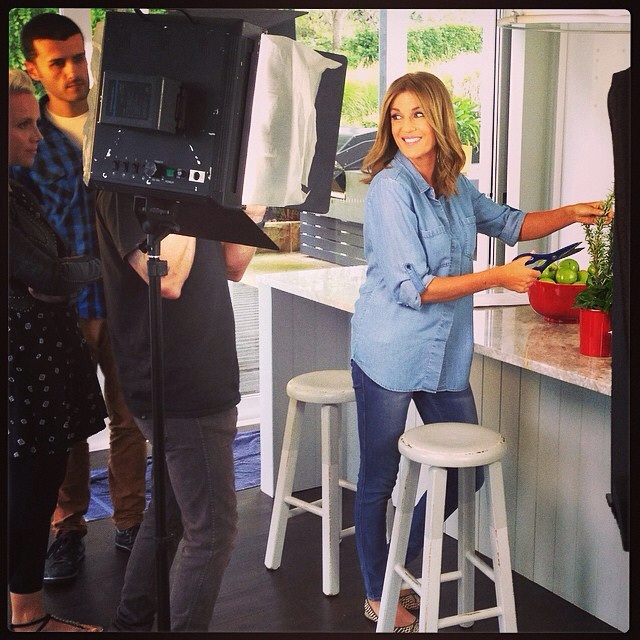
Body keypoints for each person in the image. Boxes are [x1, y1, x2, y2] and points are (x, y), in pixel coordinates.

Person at [350, 71, 610, 632]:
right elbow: (413, 288)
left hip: (444, 357)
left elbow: (514, 224)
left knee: (467, 472)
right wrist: (498, 277)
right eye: (396, 115)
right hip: (390, 354)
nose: (406, 126)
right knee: (378, 479)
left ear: (439, 119)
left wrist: (571, 213)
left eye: (418, 113)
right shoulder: (391, 189)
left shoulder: (455, 187)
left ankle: (399, 560)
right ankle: (378, 591)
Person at [10, 12, 148, 585]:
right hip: (59, 305)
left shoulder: (121, 120)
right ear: (33, 69)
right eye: (58, 62)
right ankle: (66, 528)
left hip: (126, 294)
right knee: (64, 423)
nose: (73, 71)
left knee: (130, 413)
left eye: (79, 56)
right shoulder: (24, 133)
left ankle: (131, 521)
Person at [94, 189, 267, 631]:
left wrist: (253, 208)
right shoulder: (124, 185)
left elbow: (233, 266)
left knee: (168, 515)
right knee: (213, 533)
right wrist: (191, 190)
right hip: (178, 382)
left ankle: (130, 622)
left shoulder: (187, 181)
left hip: (203, 369)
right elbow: (167, 278)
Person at [8, 68, 106, 633]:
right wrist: (76, 272)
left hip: (39, 360)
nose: (37, 135)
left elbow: (55, 268)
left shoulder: (17, 191)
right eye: (23, 125)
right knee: (29, 488)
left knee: (36, 482)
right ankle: (27, 617)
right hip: (23, 370)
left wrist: (60, 275)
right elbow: (48, 273)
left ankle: (26, 608)